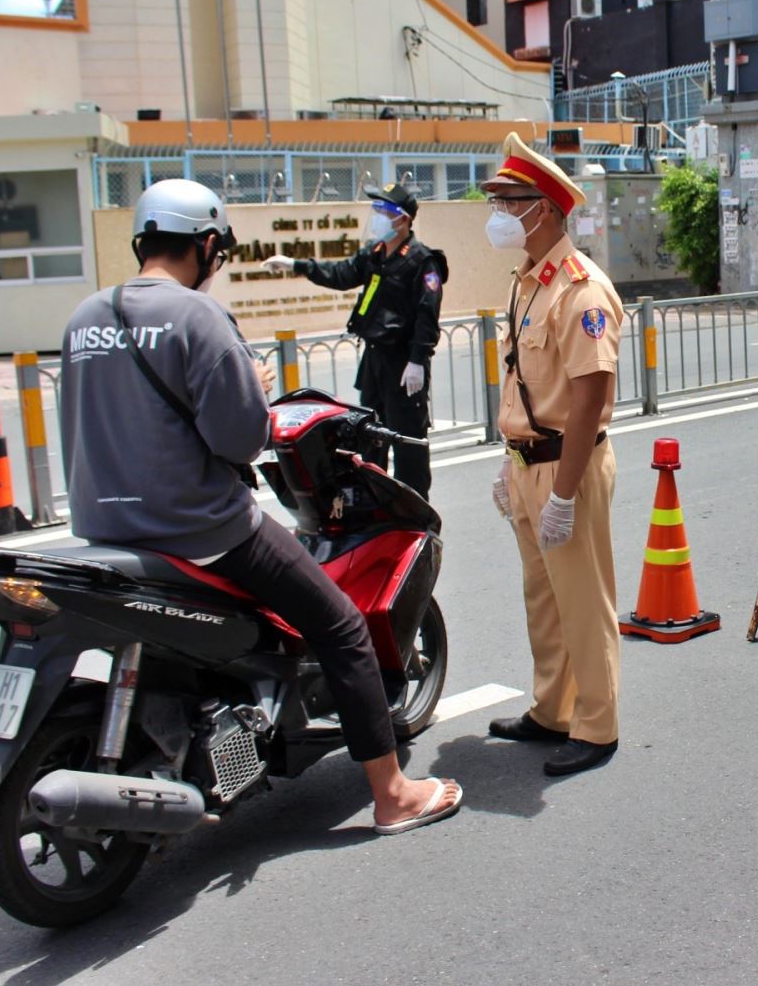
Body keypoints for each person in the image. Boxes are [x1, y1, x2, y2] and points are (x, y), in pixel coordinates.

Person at [60, 178, 460, 835]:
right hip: (199, 528)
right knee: (340, 626)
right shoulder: (198, 317)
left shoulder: (84, 318)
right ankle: (392, 794)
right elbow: (242, 438)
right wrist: (252, 385)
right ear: (208, 244)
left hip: (103, 529)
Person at [480, 133, 624, 777]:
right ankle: (552, 710)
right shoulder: (528, 283)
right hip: (528, 463)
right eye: (498, 201)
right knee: (543, 596)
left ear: (548, 210)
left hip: (569, 466)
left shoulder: (579, 290)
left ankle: (597, 725)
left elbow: (591, 397)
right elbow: (524, 381)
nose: (499, 214)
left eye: (511, 202)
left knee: (582, 598)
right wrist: (509, 458)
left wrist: (563, 493)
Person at [262, 182, 445, 498]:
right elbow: (341, 274)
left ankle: (415, 511)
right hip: (374, 360)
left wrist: (418, 359)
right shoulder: (375, 254)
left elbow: (427, 314)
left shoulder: (422, 261)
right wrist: (296, 265)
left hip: (403, 364)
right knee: (371, 436)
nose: (375, 217)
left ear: (401, 219)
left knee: (407, 442)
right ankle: (377, 503)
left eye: (382, 211)